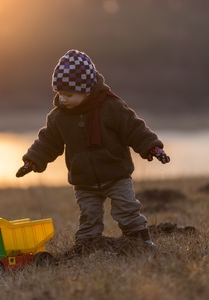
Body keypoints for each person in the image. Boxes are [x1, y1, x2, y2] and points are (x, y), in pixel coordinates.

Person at [16, 49, 170, 248]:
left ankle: (140, 241)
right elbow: (47, 142)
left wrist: (153, 149)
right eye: (60, 94)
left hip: (116, 174)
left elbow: (133, 128)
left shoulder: (111, 106)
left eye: (68, 95)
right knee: (89, 216)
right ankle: (87, 245)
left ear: (86, 90)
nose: (62, 99)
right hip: (84, 181)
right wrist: (32, 161)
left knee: (126, 209)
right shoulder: (58, 118)